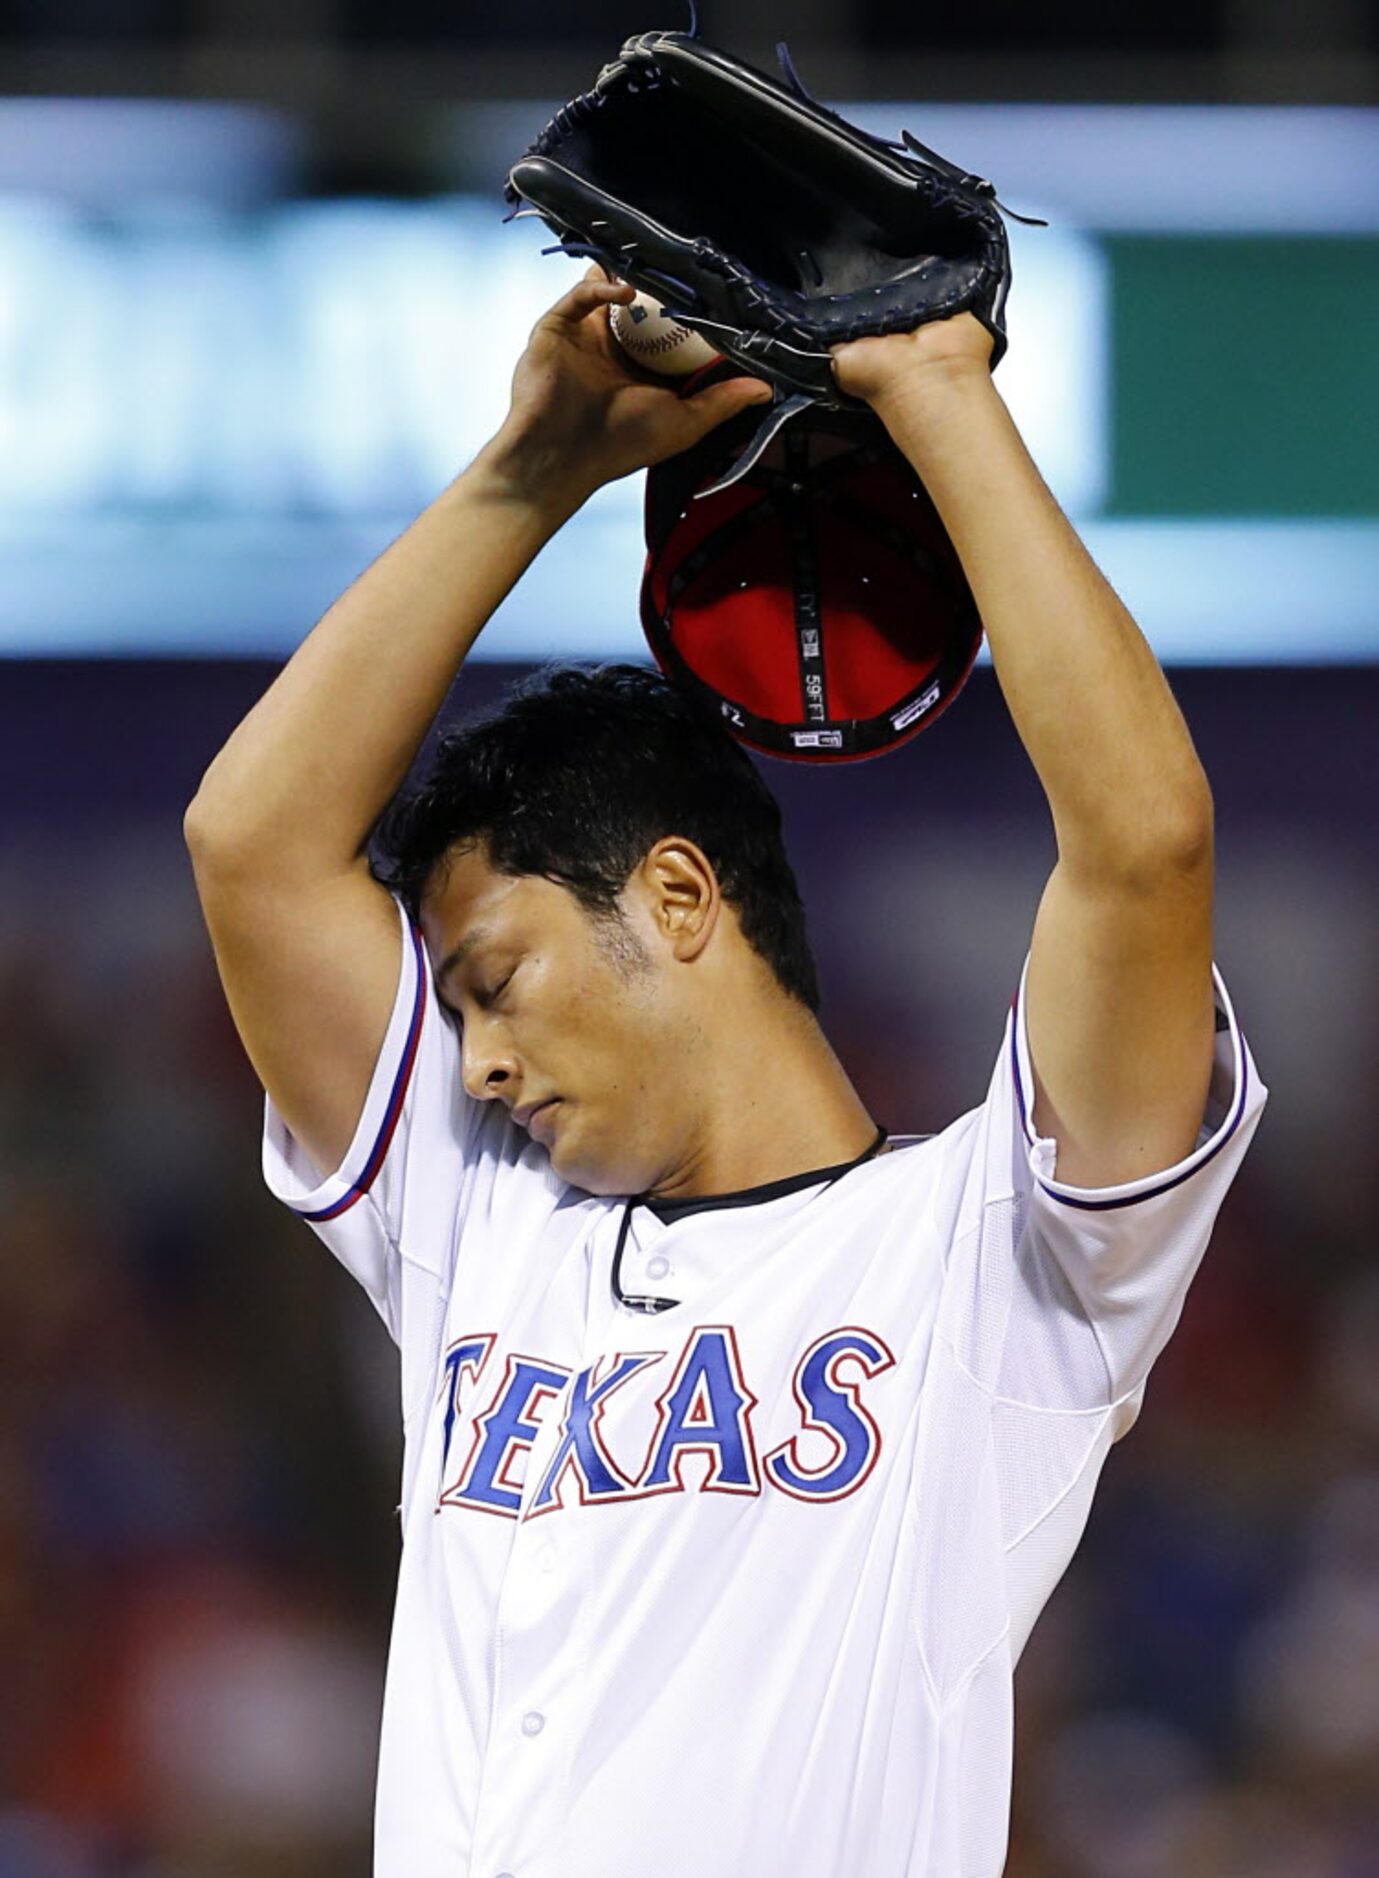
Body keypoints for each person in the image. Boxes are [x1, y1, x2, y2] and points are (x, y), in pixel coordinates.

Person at [185, 267, 1267, 1877]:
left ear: (678, 898)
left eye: (492, 982)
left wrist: (939, 393)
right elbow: (252, 844)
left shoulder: (988, 1264)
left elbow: (1142, 844)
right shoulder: (487, 1210)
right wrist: (531, 467)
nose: (472, 1062)